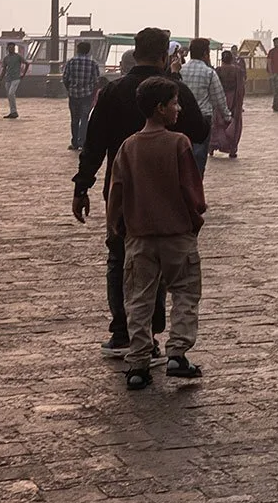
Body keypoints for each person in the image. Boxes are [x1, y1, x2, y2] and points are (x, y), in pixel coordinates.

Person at [75, 28, 210, 357]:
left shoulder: (113, 91)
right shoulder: (172, 90)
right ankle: (151, 329)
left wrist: (82, 186)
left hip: (122, 190)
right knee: (161, 261)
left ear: (135, 54)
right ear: (165, 54)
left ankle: (124, 331)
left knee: (120, 258)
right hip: (167, 193)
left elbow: (93, 144)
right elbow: (201, 130)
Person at [107, 77, 206, 389]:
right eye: (174, 103)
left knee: (139, 299)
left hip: (139, 237)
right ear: (161, 108)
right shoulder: (179, 143)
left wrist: (118, 226)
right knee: (185, 293)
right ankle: (177, 352)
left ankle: (138, 362)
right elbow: (192, 193)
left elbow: (116, 193)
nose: (178, 109)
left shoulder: (128, 147)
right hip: (176, 234)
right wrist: (194, 220)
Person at [179, 38, 231, 167]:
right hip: (202, 119)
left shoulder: (180, 70)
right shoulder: (209, 73)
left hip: (181, 118)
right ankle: (196, 184)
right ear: (205, 54)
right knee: (199, 157)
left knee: (182, 155)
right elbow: (219, 97)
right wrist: (227, 116)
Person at [63, 40, 102, 150]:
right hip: (87, 94)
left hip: (73, 93)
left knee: (74, 119)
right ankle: (82, 142)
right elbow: (96, 81)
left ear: (77, 49)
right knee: (84, 118)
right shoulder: (93, 63)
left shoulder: (71, 62)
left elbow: (65, 78)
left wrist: (69, 89)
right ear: (88, 51)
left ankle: (74, 142)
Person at [210, 48, 246, 159]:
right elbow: (241, 88)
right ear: (231, 59)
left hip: (220, 99)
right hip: (234, 100)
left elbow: (214, 87)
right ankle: (232, 149)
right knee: (234, 123)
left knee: (217, 123)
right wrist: (239, 103)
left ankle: (212, 147)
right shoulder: (238, 71)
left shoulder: (218, 70)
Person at [2, 43, 26, 118]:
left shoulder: (18, 57)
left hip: (16, 78)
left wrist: (23, 74)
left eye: (13, 48)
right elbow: (4, 69)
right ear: (7, 49)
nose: (11, 49)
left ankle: (14, 111)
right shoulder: (6, 58)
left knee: (11, 93)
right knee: (9, 96)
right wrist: (0, 79)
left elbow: (27, 63)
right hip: (8, 79)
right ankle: (12, 112)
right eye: (10, 48)